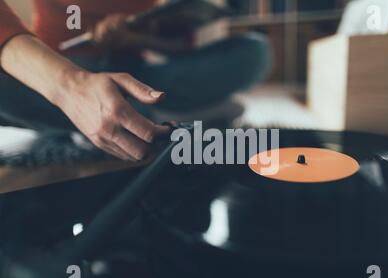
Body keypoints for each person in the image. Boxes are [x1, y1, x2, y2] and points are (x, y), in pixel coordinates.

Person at [0, 0, 271, 161]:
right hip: (56, 67)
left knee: (254, 50)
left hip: (136, 75)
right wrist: (69, 84)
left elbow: (181, 41)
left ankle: (141, 115)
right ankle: (165, 117)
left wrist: (135, 39)